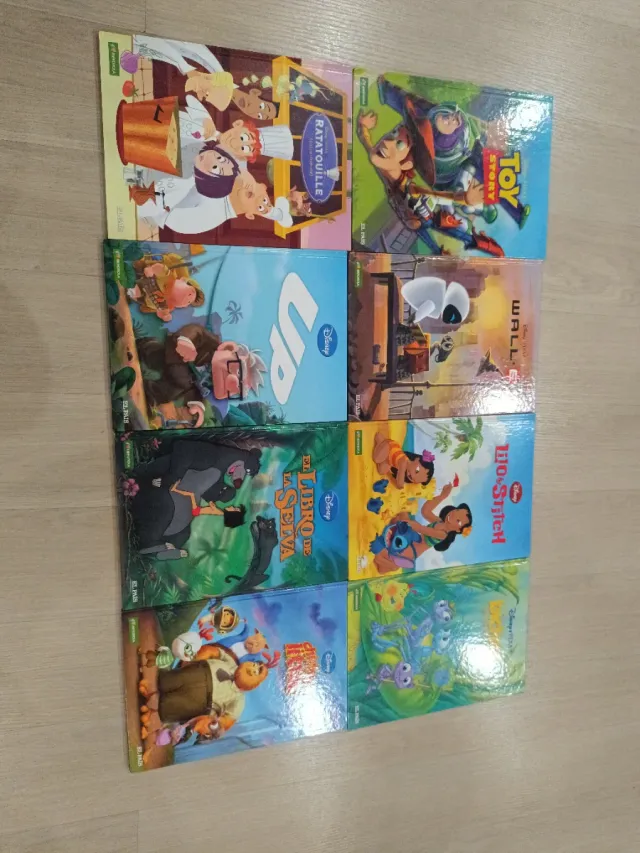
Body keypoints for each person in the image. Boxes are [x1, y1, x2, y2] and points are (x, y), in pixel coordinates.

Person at [357, 109, 503, 257]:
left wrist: (463, 198)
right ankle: (442, 252)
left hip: (428, 219)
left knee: (459, 235)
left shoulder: (411, 189)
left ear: (407, 164)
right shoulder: (386, 175)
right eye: (393, 133)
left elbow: (438, 196)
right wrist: (363, 128)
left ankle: (490, 247)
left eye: (399, 144)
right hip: (415, 223)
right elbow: (369, 147)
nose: (386, 141)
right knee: (432, 243)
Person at [128, 252, 205, 321]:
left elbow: (163, 310)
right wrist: (150, 267)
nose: (187, 299)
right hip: (148, 278)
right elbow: (161, 266)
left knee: (139, 299)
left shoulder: (170, 305)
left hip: (147, 298)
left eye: (189, 302)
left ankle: (136, 297)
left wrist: (165, 315)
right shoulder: (172, 275)